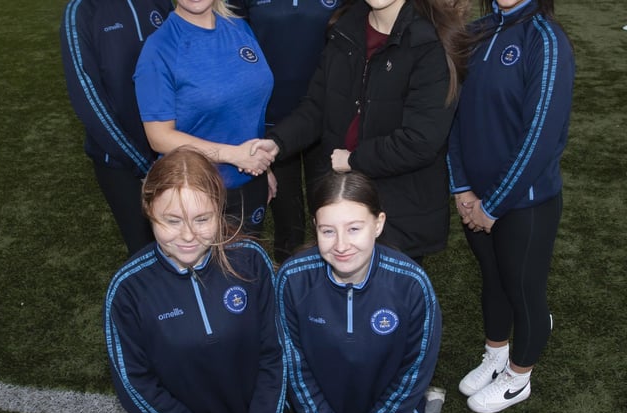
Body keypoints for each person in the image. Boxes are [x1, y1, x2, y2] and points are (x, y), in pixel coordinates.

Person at [251, 0, 468, 263]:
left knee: (387, 298)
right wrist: (277, 143)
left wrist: (352, 160)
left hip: (399, 208)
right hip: (344, 200)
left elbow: (420, 141)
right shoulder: (345, 28)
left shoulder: (428, 41)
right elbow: (317, 107)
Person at [446, 0, 575, 413]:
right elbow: (454, 112)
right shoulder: (478, 30)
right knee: (493, 279)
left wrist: (494, 204)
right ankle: (497, 353)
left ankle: (519, 378)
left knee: (524, 290)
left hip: (525, 204)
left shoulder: (546, 40)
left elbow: (539, 134)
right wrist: (463, 189)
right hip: (475, 201)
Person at [104, 146, 286, 413]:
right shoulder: (128, 289)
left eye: (202, 219)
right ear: (148, 209)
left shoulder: (251, 260)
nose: (188, 235)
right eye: (172, 220)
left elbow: (276, 353)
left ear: (219, 210)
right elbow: (136, 386)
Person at [276, 171, 442, 413]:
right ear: (315, 227)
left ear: (378, 224)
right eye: (328, 231)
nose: (341, 245)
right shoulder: (292, 279)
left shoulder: (412, 284)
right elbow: (294, 369)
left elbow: (414, 372)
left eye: (354, 229)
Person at [133, 0, 276, 235]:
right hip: (196, 192)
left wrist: (263, 167)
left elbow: (247, 108)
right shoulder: (159, 49)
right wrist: (234, 155)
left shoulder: (240, 28)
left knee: (246, 266)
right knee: (205, 270)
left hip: (250, 179)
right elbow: (159, 137)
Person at [228, 0, 340, 263]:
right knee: (286, 218)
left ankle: (329, 279)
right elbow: (233, 48)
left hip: (326, 115)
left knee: (330, 207)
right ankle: (291, 280)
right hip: (270, 122)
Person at [60, 0, 173, 256]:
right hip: (123, 165)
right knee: (146, 251)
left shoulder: (160, 2)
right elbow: (88, 97)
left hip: (171, 150)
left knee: (186, 240)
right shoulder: (82, 11)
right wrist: (142, 164)